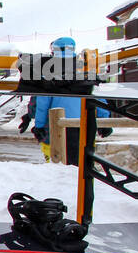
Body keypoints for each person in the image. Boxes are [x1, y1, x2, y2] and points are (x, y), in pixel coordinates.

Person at [32, 37, 110, 165]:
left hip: (59, 126)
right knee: (83, 165)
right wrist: (104, 123)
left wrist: (39, 126)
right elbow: (100, 99)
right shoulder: (86, 73)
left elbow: (42, 104)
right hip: (84, 125)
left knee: (61, 165)